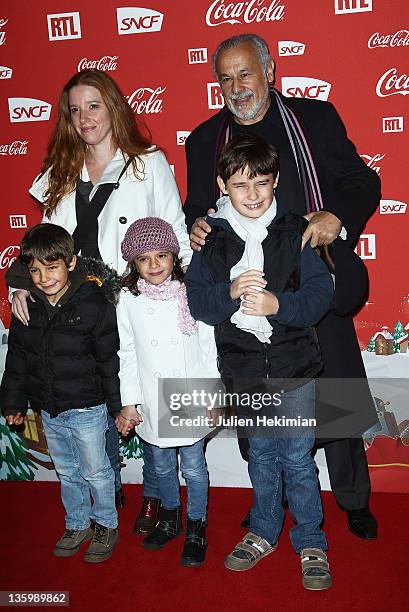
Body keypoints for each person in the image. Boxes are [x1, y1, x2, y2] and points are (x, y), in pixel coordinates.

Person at [185, 33, 380, 539]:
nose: (237, 86)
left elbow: (362, 181)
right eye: (225, 78)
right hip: (247, 295)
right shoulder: (205, 139)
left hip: (314, 282)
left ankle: (353, 499)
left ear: (269, 71)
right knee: (257, 402)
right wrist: (196, 224)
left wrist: (337, 216)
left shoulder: (314, 120)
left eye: (246, 73)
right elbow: (195, 206)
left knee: (336, 391)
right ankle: (266, 500)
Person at [10, 68, 191, 532]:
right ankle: (105, 491)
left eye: (93, 105)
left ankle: (155, 492)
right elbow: (43, 242)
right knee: (94, 402)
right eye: (74, 109)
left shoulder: (148, 163)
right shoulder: (61, 172)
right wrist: (18, 283)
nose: (84, 117)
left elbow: (177, 235)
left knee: (143, 394)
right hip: (76, 306)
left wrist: (176, 301)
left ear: (112, 106)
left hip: (134, 300)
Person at [185, 134, 334, 589]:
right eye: (240, 184)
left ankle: (310, 539)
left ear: (276, 183)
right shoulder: (211, 239)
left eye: (262, 184)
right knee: (262, 457)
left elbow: (320, 295)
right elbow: (198, 305)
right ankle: (264, 530)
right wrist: (229, 293)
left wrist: (278, 306)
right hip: (245, 370)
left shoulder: (296, 231)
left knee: (297, 459)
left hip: (294, 369)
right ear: (222, 184)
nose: (251, 195)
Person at [1, 223, 120, 563]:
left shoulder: (95, 303)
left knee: (96, 471)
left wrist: (118, 407)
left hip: (87, 409)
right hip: (49, 409)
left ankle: (106, 524)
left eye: (52, 267)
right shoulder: (27, 309)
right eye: (35, 270)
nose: (43, 277)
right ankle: (77, 523)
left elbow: (108, 360)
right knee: (66, 471)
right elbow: (17, 360)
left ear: (70, 263)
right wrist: (13, 402)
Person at [115, 217, 218, 567]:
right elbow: (127, 353)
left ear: (175, 256)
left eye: (162, 255)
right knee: (160, 467)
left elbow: (208, 347)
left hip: (188, 394)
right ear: (133, 263)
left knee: (193, 467)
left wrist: (212, 396)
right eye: (144, 258)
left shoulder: (192, 292)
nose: (154, 264)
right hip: (151, 395)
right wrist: (129, 402)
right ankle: (171, 517)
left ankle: (196, 525)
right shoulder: (127, 300)